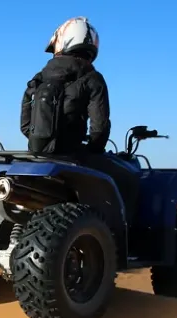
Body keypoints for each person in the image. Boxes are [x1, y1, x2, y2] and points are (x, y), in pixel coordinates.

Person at [20, 17, 139, 224]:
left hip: (37, 154)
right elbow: (100, 127)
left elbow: (24, 125)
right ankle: (122, 241)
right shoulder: (93, 78)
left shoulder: (39, 78)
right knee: (129, 178)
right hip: (73, 155)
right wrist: (93, 148)